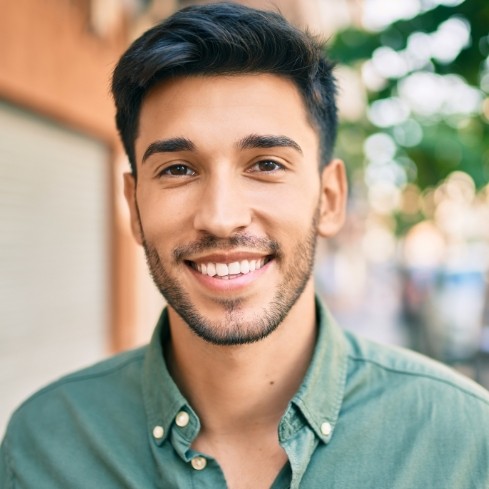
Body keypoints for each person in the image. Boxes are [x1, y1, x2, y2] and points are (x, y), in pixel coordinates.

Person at [1, 3, 489, 488]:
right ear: (133, 206)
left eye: (267, 165)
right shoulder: (46, 446)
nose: (221, 216)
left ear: (332, 197)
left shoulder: (464, 442)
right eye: (177, 169)